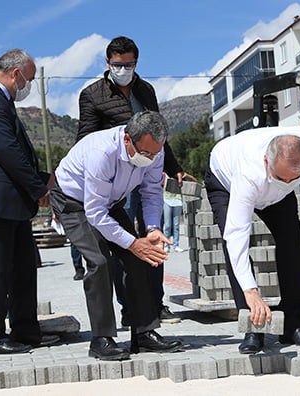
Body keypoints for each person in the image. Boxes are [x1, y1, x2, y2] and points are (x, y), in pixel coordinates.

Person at [77, 36, 194, 324]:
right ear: (107, 63)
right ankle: (130, 308)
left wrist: (175, 167)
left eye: (128, 64)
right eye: (118, 64)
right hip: (117, 178)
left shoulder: (145, 90)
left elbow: (158, 134)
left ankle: (156, 304)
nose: (123, 69)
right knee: (125, 243)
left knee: (154, 236)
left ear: (136, 62)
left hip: (149, 171)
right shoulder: (92, 94)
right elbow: (85, 138)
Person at [51, 111, 184, 361]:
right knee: (100, 262)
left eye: (156, 153)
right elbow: (94, 213)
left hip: (110, 201)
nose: (152, 158)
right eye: (146, 153)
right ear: (127, 141)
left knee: (137, 260)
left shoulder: (154, 148)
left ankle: (144, 333)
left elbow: (152, 191)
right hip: (74, 201)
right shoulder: (101, 153)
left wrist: (152, 229)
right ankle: (101, 339)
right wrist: (133, 243)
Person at [205, 126, 300, 354]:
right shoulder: (248, 171)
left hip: (275, 194)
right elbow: (236, 235)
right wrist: (251, 291)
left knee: (291, 240)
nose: (287, 182)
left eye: (294, 178)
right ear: (266, 160)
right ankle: (253, 328)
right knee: (234, 247)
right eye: (281, 177)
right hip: (225, 181)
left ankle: (291, 325)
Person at [0, 49, 59, 355]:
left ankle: (26, 331)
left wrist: (42, 178)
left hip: (10, 203)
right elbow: (7, 152)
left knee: (23, 269)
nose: (27, 85)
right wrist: (37, 188)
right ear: (15, 73)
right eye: (27, 79)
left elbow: (13, 152)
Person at [162, 175, 184, 253]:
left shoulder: (179, 175)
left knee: (176, 225)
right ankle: (166, 245)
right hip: (167, 199)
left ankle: (176, 245)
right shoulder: (165, 174)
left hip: (177, 200)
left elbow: (186, 177)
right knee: (167, 225)